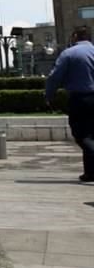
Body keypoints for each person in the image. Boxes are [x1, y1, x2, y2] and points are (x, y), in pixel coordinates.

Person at [45, 26, 94, 182]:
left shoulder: (69, 54)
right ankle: (90, 173)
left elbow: (54, 77)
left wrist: (49, 95)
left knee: (82, 135)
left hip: (81, 99)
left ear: (74, 36)